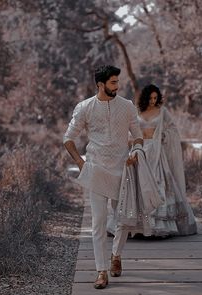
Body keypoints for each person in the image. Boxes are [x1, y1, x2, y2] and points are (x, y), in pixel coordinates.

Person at [63, 65, 143, 289]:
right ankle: (101, 271)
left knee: (123, 218)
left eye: (118, 82)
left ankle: (116, 255)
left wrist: (135, 152)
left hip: (122, 169)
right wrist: (81, 164)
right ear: (100, 84)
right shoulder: (85, 107)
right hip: (96, 170)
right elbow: (68, 138)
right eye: (113, 83)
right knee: (97, 222)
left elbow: (137, 137)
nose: (117, 86)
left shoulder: (127, 107)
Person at [108, 84, 197, 238]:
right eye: (150, 98)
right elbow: (127, 129)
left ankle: (158, 226)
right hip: (139, 151)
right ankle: (136, 226)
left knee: (158, 184)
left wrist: (162, 136)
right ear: (145, 97)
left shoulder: (163, 112)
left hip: (157, 152)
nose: (153, 101)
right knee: (137, 185)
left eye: (156, 98)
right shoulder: (136, 111)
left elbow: (173, 130)